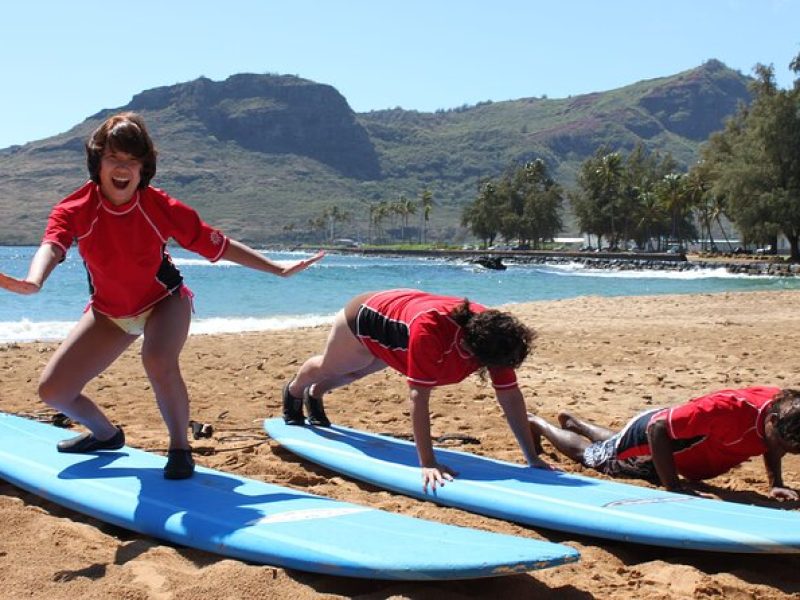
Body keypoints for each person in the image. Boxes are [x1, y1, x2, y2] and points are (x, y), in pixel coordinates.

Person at [0, 112, 324, 480]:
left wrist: (277, 269)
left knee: (156, 358)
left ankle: (180, 448)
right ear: (98, 162)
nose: (122, 168)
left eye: (132, 161)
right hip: (109, 312)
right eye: (113, 158)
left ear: (143, 168)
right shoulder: (75, 208)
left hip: (164, 302)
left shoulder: (159, 207)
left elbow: (217, 245)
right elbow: (53, 244)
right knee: (54, 391)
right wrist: (34, 280)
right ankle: (107, 435)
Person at [282, 288, 548, 491]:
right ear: (469, 345)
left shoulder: (497, 338)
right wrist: (428, 462)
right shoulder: (430, 331)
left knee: (357, 372)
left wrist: (531, 458)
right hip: (364, 316)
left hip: (400, 319)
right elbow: (419, 398)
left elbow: (510, 395)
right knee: (337, 367)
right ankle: (295, 391)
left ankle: (314, 395)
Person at [527, 386, 800, 499]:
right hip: (654, 435)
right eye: (780, 444)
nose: (779, 450)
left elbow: (774, 443)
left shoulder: (786, 405)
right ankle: (538, 424)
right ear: (772, 420)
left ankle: (576, 423)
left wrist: (775, 483)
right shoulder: (727, 409)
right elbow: (658, 428)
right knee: (595, 457)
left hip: (674, 432)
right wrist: (674, 486)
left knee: (615, 445)